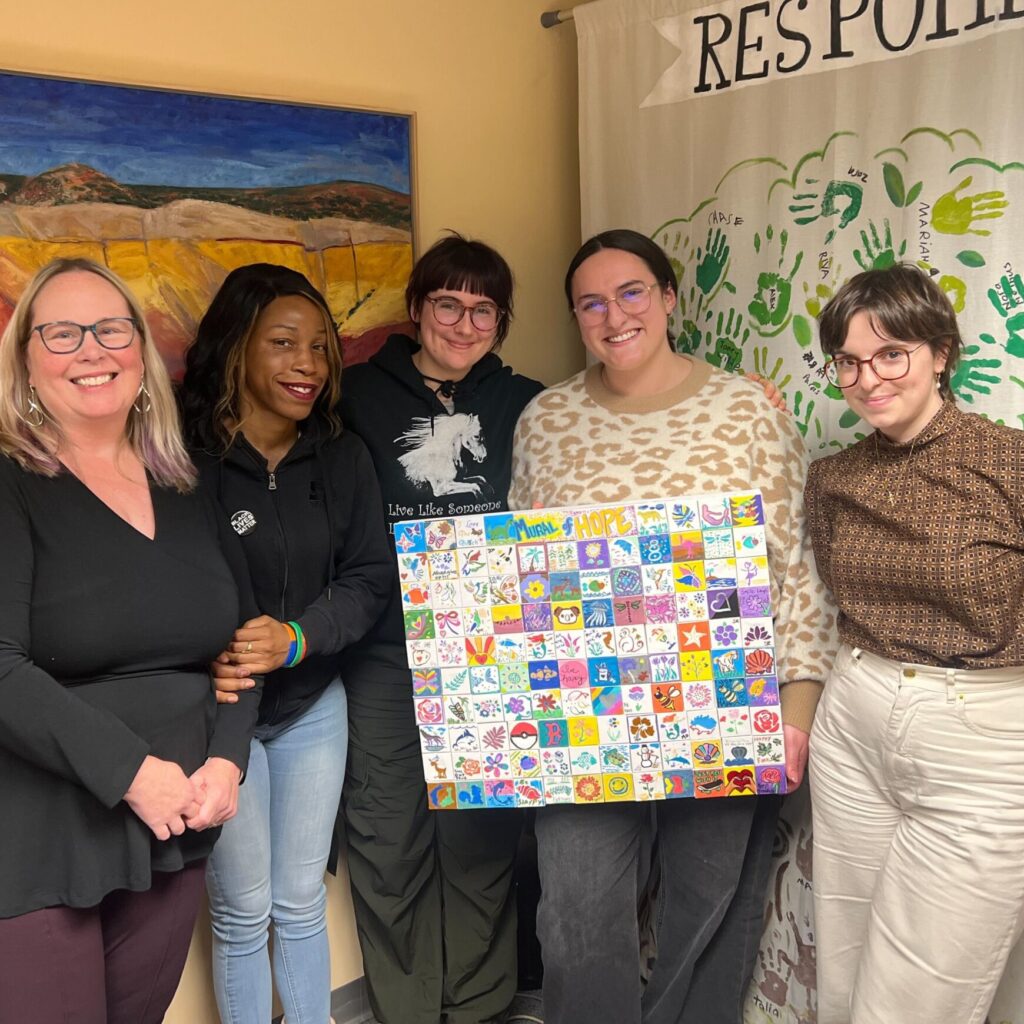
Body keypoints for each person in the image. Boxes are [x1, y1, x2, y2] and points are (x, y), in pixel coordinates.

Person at [507, 228, 835, 1024]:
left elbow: (795, 569)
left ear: (668, 299)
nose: (613, 315)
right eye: (591, 302)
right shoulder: (544, 420)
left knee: (710, 903)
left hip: (727, 700)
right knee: (578, 914)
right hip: (584, 713)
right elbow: (519, 580)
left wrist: (794, 711)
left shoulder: (746, 411)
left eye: (631, 293)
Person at [0, 258, 260, 1024]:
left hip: (174, 829)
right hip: (43, 834)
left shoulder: (185, 483)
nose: (92, 350)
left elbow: (242, 645)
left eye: (112, 328)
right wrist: (131, 773)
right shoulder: (10, 483)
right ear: (25, 360)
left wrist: (228, 761)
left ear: (140, 352)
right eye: (62, 332)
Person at [805, 264, 1024, 1024]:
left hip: (982, 742)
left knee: (911, 1003)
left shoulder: (1009, 463)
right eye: (848, 361)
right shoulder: (832, 478)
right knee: (842, 975)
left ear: (941, 352)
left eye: (890, 353)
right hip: (854, 722)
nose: (867, 378)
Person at [337, 233, 546, 1024]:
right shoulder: (355, 394)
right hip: (383, 652)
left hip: (487, 654)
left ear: (500, 319)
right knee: (387, 837)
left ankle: (481, 1005)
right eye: (447, 304)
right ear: (418, 309)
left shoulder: (528, 401)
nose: (463, 323)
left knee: (481, 843)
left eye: (482, 308)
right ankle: (407, 1009)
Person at [180, 263, 395, 1024]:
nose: (307, 363)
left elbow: (370, 578)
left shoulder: (341, 457)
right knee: (241, 910)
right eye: (283, 343)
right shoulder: (176, 459)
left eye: (320, 347)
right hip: (214, 715)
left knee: (299, 899)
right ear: (237, 347)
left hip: (310, 706)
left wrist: (299, 638)